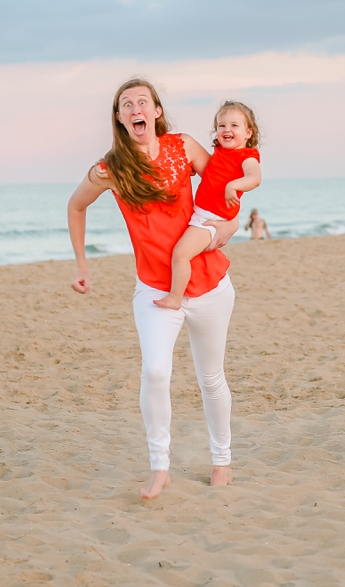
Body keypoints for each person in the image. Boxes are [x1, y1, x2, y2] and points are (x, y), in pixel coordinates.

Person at [67, 79, 239, 500]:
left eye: (143, 101)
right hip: (155, 290)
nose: (135, 107)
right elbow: (75, 205)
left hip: (210, 283)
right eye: (126, 104)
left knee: (211, 377)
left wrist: (226, 229)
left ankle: (222, 460)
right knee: (156, 370)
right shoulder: (110, 168)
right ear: (120, 118)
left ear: (157, 111)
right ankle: (159, 467)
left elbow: (224, 191)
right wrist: (82, 265)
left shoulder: (183, 146)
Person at [155, 101, 261, 310]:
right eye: (221, 126)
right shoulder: (221, 152)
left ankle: (175, 298)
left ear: (248, 133)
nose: (226, 130)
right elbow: (213, 171)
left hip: (211, 220)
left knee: (181, 254)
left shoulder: (247, 156)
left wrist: (233, 186)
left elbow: (254, 178)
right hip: (202, 213)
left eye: (234, 126)